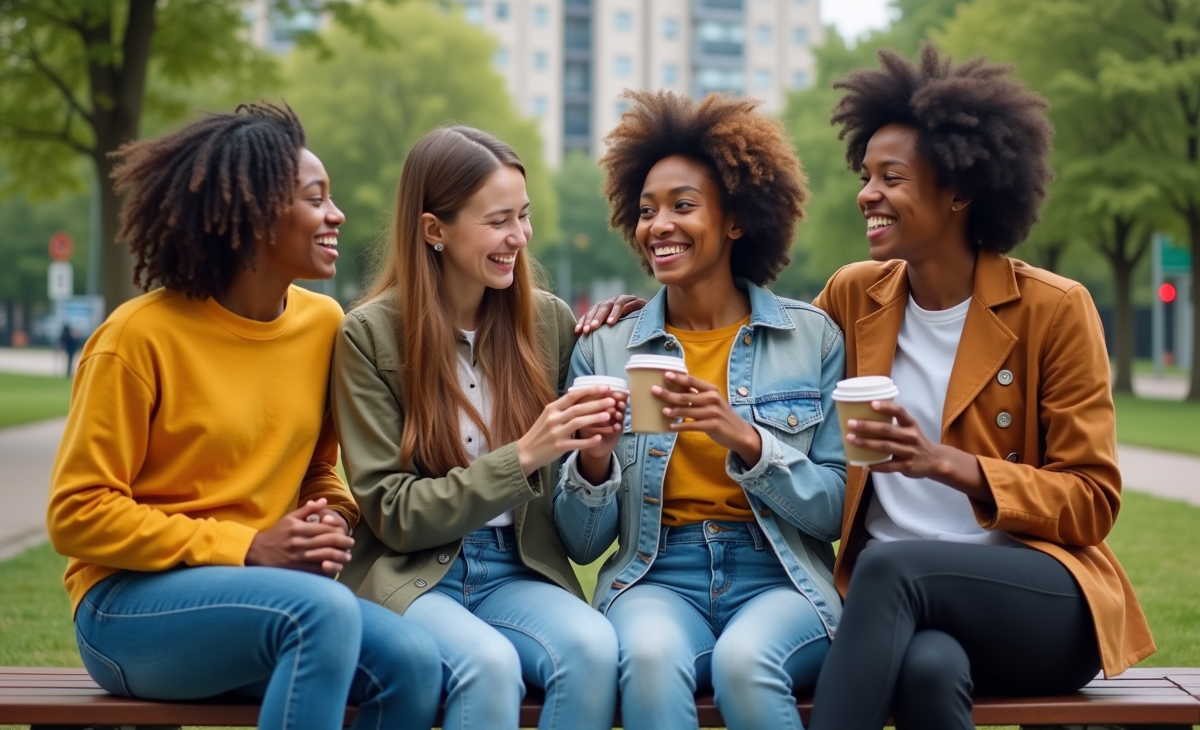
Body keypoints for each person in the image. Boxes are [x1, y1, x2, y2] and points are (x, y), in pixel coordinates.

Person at [46, 103, 442, 730]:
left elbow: (319, 470)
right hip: (126, 609)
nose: (336, 215)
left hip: (279, 600)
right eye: (317, 199)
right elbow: (77, 514)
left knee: (417, 662)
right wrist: (249, 547)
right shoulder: (137, 338)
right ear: (257, 217)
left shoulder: (323, 326)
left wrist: (327, 519)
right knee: (321, 613)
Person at [804, 44, 1155, 730]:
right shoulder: (853, 295)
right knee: (930, 669)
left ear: (959, 190)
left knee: (888, 569)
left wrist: (947, 464)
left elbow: (1092, 500)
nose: (866, 193)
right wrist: (651, 315)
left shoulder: (1053, 308)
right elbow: (764, 360)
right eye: (866, 173)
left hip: (1041, 599)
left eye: (891, 176)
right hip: (910, 608)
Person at [555, 90, 847, 730]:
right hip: (657, 574)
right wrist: (595, 462)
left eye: (683, 206)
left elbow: (834, 510)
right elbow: (580, 541)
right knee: (652, 660)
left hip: (780, 576)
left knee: (747, 663)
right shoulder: (604, 347)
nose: (658, 224)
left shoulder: (813, 338)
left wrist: (743, 437)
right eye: (647, 210)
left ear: (736, 220)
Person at [330, 126, 619, 730]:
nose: (519, 237)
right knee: (487, 666)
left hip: (520, 567)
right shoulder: (369, 336)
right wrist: (524, 455)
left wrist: (622, 335)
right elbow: (393, 514)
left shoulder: (549, 323)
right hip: (415, 577)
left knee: (594, 650)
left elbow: (581, 526)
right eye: (497, 221)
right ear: (434, 230)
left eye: (524, 215)